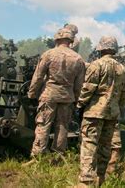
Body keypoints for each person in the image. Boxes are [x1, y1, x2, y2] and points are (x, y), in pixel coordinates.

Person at [76, 36, 125, 187]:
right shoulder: (122, 69)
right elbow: (124, 95)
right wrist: (118, 108)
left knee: (89, 146)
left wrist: (80, 105)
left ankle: (86, 183)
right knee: (105, 148)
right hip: (112, 114)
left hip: (94, 113)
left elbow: (88, 88)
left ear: (101, 48)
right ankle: (100, 180)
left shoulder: (96, 65)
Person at [27, 28, 86, 156]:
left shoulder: (49, 54)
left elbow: (38, 77)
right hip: (67, 97)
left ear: (57, 39)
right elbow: (79, 85)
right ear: (70, 41)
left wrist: (31, 94)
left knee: (43, 124)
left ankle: (38, 155)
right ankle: (58, 154)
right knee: (63, 126)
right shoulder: (78, 58)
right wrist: (76, 99)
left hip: (49, 95)